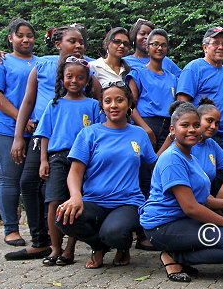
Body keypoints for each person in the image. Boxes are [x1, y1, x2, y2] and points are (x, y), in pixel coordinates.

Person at [6, 24, 90, 260]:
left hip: (76, 143)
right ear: (58, 44)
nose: (78, 46)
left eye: (81, 42)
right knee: (29, 182)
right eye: (72, 41)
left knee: (68, 190)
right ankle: (42, 241)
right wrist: (17, 137)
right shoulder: (41, 65)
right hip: (45, 137)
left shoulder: (86, 67)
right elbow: (28, 102)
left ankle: (63, 242)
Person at [139, 102, 223, 282]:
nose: (192, 130)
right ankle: (175, 256)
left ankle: (180, 252)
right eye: (185, 125)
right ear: (172, 129)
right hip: (163, 225)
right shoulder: (172, 159)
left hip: (184, 221)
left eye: (196, 125)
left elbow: (205, 200)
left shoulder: (190, 157)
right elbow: (191, 208)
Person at [55, 82, 157, 269]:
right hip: (93, 201)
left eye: (119, 100)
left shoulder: (139, 134)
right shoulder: (89, 133)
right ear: (101, 105)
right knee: (62, 218)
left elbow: (155, 167)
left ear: (129, 104)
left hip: (128, 203)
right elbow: (75, 172)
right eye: (108, 101)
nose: (113, 105)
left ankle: (122, 246)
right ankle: (97, 247)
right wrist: (75, 197)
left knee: (115, 233)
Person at [34, 56, 101, 266]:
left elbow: (99, 134)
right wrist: (43, 160)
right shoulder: (54, 104)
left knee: (76, 201)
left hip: (83, 160)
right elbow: (44, 134)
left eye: (80, 77)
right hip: (58, 158)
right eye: (69, 76)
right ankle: (56, 247)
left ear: (87, 81)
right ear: (62, 78)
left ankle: (70, 249)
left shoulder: (93, 105)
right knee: (54, 202)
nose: (74, 81)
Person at [0, 18, 39, 249]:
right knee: (10, 178)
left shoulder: (40, 62)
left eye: (30, 35)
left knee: (31, 180)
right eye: (20, 35)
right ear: (10, 38)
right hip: (4, 129)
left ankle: (38, 227)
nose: (25, 39)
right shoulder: (0, 61)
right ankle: (11, 229)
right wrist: (20, 119)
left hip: (33, 130)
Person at [127, 28, 177, 152]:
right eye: (155, 44)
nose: (159, 48)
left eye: (163, 45)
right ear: (147, 47)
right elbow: (130, 105)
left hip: (168, 127)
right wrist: (146, 129)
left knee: (161, 165)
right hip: (145, 124)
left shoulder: (172, 78)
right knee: (143, 166)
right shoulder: (137, 73)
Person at [191, 98, 223, 197]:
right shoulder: (186, 144)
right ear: (197, 119)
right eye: (209, 121)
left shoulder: (210, 143)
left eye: (217, 123)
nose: (213, 126)